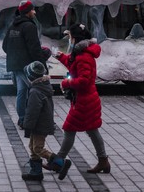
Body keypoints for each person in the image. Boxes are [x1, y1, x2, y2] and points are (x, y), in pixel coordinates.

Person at [46, 23, 110, 178]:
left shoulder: (83, 56)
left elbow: (83, 80)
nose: (69, 39)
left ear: (75, 38)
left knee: (69, 129)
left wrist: (66, 83)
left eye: (70, 37)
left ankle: (59, 161)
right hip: (85, 99)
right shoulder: (81, 53)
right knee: (92, 130)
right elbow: (72, 63)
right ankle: (103, 161)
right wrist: (60, 56)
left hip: (84, 101)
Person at [2, 0, 52, 129]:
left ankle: (23, 119)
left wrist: (15, 55)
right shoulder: (29, 26)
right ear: (28, 11)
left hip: (16, 65)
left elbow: (5, 46)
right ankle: (33, 121)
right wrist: (42, 67)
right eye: (32, 10)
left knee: (21, 92)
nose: (34, 12)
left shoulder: (13, 26)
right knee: (36, 91)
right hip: (28, 66)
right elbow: (34, 48)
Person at [21, 61, 70, 181]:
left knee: (37, 148)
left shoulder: (35, 92)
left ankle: (60, 162)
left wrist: (27, 125)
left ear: (30, 76)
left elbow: (32, 112)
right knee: (33, 147)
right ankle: (36, 172)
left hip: (39, 125)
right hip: (41, 123)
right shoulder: (42, 87)